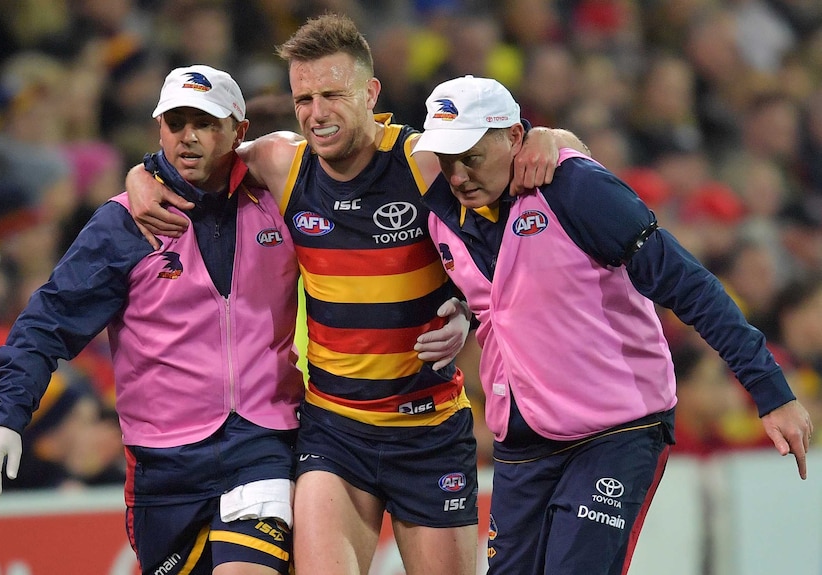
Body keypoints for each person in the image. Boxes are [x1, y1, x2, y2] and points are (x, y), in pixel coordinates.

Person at [125, 14, 591, 575]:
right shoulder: (281, 163)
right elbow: (191, 155)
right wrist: (141, 174)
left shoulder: (422, 162)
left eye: (331, 95)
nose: (316, 114)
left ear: (370, 92)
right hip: (334, 430)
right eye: (304, 98)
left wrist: (546, 136)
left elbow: (548, 156)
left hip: (429, 430)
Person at [411, 75, 814, 575]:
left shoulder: (574, 188)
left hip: (616, 429)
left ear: (514, 137)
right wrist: (457, 311)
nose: (458, 175)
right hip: (523, 441)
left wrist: (770, 389)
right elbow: (496, 294)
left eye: (470, 157)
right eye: (447, 160)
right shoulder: (440, 217)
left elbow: (688, 285)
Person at [0, 64, 306, 575]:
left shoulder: (280, 200)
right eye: (176, 123)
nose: (188, 137)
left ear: (238, 132)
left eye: (205, 122)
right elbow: (47, 321)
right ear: (159, 129)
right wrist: (5, 416)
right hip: (161, 468)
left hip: (260, 444)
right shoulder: (124, 223)